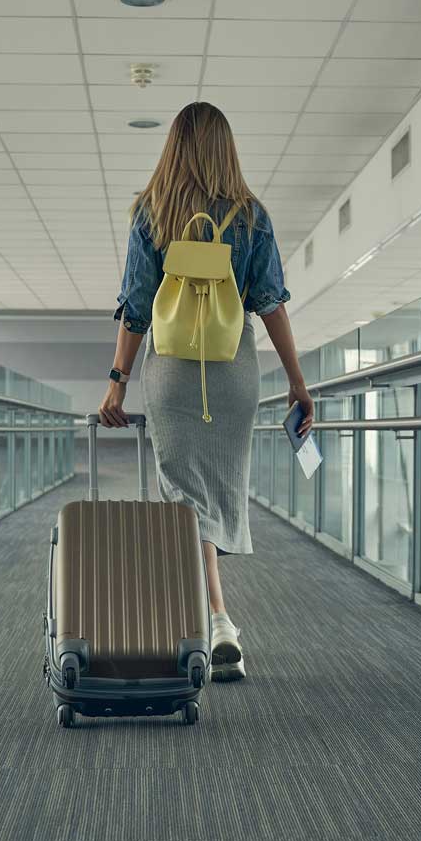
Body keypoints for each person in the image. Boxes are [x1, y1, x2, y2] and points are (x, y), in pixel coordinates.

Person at [98, 101, 314, 682]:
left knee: (183, 497)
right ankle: (217, 616)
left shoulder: (152, 213)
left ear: (172, 146)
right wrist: (296, 382)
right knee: (213, 493)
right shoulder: (252, 217)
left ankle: (216, 615)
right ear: (227, 147)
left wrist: (116, 383)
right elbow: (270, 304)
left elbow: (137, 308)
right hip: (232, 371)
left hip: (172, 371)